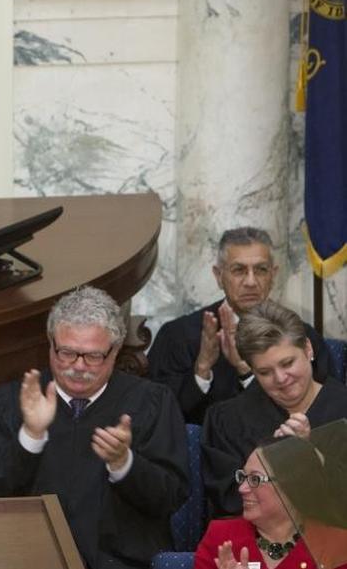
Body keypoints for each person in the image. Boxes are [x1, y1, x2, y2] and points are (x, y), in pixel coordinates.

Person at [0, 286, 188, 569]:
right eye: (67, 353)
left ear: (115, 351)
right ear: (50, 342)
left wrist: (124, 464)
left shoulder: (151, 402)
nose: (79, 367)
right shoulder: (9, 402)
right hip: (25, 561)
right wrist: (29, 439)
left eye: (93, 356)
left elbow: (171, 498)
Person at [148, 227, 332, 424]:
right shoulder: (179, 335)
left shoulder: (300, 336)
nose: (251, 282)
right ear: (219, 276)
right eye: (239, 270)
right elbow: (157, 415)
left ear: (273, 274)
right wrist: (201, 371)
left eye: (261, 270)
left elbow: (327, 408)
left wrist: (246, 371)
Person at [201, 300, 347, 517]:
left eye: (287, 363)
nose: (280, 378)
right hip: (261, 546)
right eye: (265, 372)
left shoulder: (341, 406)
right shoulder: (227, 420)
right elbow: (230, 502)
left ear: (308, 349)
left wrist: (313, 456)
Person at [194, 442, 346, 569]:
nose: (242, 488)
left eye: (255, 479)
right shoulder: (221, 536)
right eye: (243, 477)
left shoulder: (337, 544)